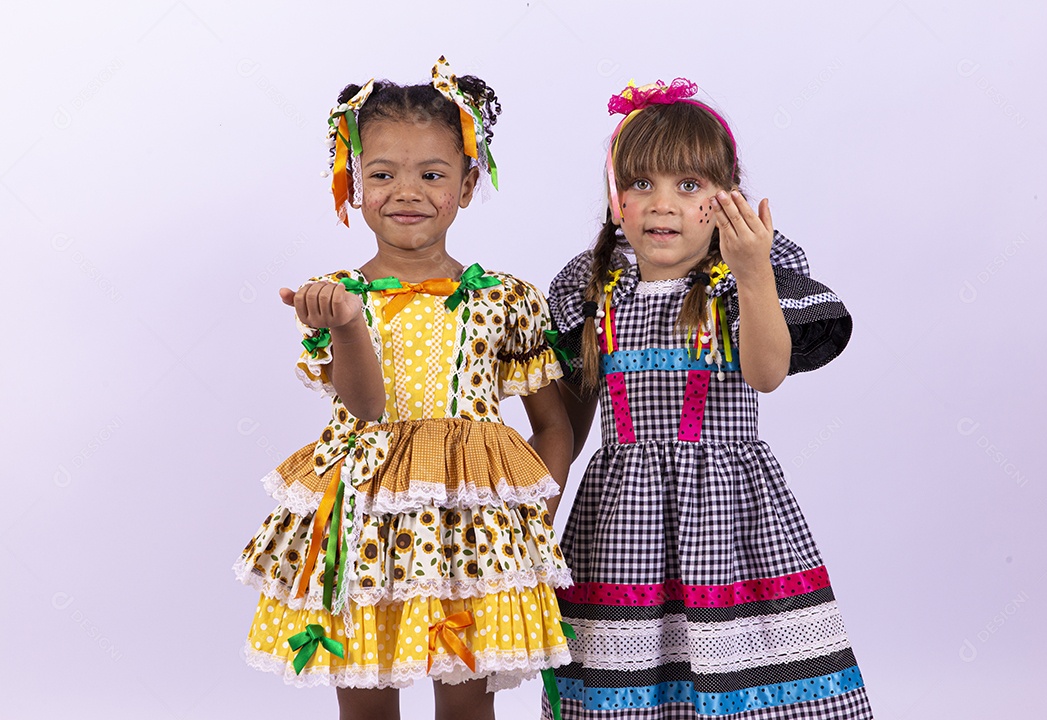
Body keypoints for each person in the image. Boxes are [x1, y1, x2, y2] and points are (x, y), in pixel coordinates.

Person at [233, 57, 573, 720]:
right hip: (359, 527)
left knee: (467, 705)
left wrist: (534, 518)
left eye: (432, 174)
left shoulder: (507, 299)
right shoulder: (337, 295)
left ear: (469, 185)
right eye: (382, 174)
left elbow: (553, 425)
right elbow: (366, 408)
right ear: (354, 184)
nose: (406, 191)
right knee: (363, 705)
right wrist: (347, 324)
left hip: (469, 530)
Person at [543, 79, 873, 719]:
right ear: (616, 201)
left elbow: (767, 372)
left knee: (736, 672)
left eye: (688, 187)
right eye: (642, 185)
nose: (662, 204)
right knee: (626, 673)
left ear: (725, 201)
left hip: (727, 513)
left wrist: (752, 272)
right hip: (619, 517)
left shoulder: (731, 283)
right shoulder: (594, 290)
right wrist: (534, 520)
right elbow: (571, 420)